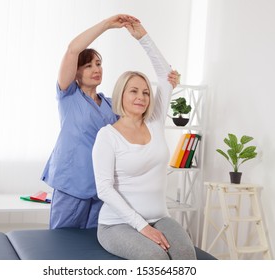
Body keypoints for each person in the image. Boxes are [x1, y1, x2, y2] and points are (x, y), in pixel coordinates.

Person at [41, 15, 181, 229]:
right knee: (63, 244)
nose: (96, 69)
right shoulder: (68, 96)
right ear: (76, 72)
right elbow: (72, 49)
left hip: (104, 190)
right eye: (88, 66)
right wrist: (107, 25)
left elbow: (137, 117)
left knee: (95, 249)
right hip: (72, 185)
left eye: (98, 64)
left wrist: (168, 85)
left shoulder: (111, 105)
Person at [92, 21, 197, 259]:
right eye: (134, 91)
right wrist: (142, 226)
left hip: (161, 217)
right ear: (121, 94)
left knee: (186, 256)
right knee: (156, 259)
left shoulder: (155, 121)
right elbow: (104, 190)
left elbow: (164, 74)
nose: (141, 97)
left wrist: (143, 37)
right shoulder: (107, 136)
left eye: (146, 92)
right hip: (116, 224)